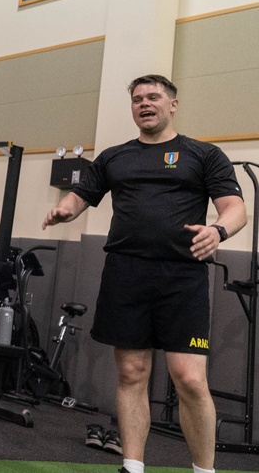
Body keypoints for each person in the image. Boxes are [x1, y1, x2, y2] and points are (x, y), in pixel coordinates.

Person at [43, 74, 246, 473]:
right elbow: (82, 193)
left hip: (181, 278)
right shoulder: (115, 156)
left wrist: (218, 230)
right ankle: (132, 467)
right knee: (132, 372)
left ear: (173, 104)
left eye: (153, 97)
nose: (144, 104)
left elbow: (235, 207)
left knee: (188, 378)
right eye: (137, 99)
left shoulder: (203, 154)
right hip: (125, 273)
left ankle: (204, 471)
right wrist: (66, 208)